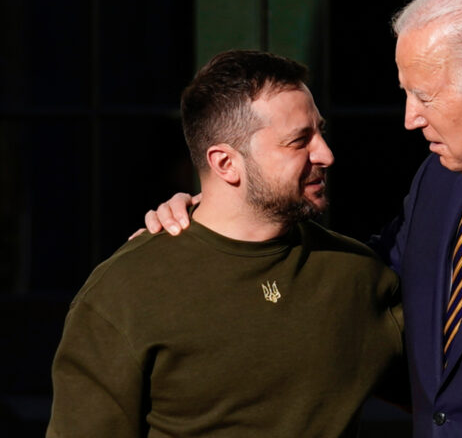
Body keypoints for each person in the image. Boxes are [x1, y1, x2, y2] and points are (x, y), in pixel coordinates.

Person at [146, 0, 462, 437]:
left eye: (423, 96)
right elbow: (349, 285)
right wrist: (220, 216)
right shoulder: (441, 181)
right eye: (406, 94)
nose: (409, 118)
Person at [47, 50, 407, 438]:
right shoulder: (124, 293)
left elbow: (456, 393)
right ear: (224, 164)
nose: (326, 154)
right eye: (299, 141)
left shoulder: (357, 273)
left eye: (320, 132)